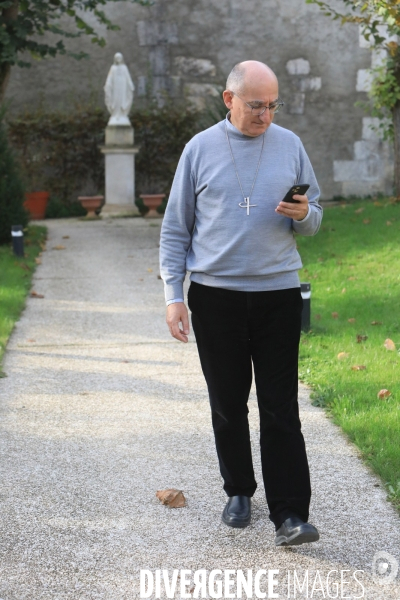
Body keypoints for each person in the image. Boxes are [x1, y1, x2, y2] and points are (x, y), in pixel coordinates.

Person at [159, 60, 323, 546]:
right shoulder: (199, 149)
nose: (265, 116)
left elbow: (315, 216)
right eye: (256, 105)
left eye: (273, 106)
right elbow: (174, 229)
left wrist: (302, 214)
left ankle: (290, 514)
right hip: (216, 297)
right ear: (228, 99)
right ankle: (239, 491)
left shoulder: (290, 144)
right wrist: (173, 296)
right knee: (228, 403)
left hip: (277, 294)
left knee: (280, 407)